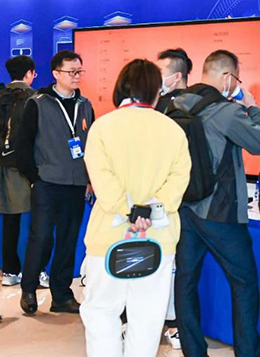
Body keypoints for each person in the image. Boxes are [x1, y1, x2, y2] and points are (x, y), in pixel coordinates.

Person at [80, 59, 191, 357]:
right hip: (159, 238)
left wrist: (128, 210)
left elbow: (102, 179)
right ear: (157, 90)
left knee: (101, 311)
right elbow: (178, 180)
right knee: (148, 317)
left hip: (109, 237)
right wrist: (150, 210)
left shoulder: (103, 127)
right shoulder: (172, 130)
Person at [173, 50, 260, 357]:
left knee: (186, 280)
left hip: (184, 207)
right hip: (220, 211)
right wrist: (252, 108)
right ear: (228, 77)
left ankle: (193, 350)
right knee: (244, 282)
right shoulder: (226, 112)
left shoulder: (175, 105)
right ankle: (248, 351)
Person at [16, 50, 95, 316]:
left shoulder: (85, 105)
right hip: (47, 183)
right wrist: (34, 179)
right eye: (71, 71)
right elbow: (22, 145)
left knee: (68, 240)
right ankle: (29, 289)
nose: (76, 76)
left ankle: (61, 295)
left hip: (75, 184)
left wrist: (89, 178)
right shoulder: (37, 103)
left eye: (79, 71)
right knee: (41, 237)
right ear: (55, 74)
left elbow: (90, 145)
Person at [0, 55, 40, 287]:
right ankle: (38, 271)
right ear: (29, 73)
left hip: (5, 169)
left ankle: (10, 271)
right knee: (38, 223)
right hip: (33, 170)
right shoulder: (38, 98)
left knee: (10, 222)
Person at [154, 47, 193, 350]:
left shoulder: (186, 108)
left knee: (176, 265)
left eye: (161, 73)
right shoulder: (157, 107)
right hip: (160, 199)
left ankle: (174, 322)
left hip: (181, 199)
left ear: (176, 76)